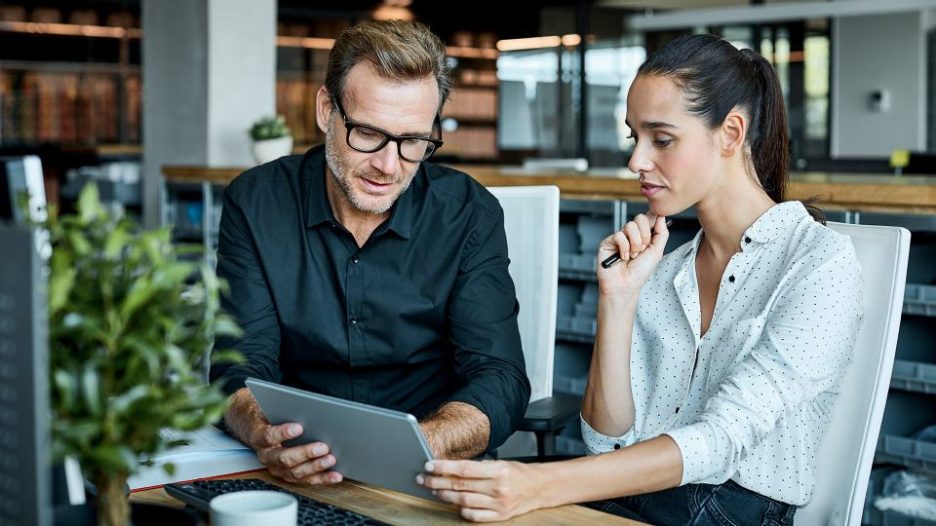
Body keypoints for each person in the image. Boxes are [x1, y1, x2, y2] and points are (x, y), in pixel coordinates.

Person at [418, 33, 863, 525]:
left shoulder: (820, 262)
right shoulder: (665, 268)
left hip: (733, 509)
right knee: (444, 501)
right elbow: (605, 441)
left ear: (731, 134)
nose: (636, 161)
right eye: (635, 138)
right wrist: (619, 299)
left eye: (662, 139)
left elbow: (721, 440)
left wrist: (539, 486)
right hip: (641, 496)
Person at [210, 20, 530, 486]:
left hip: (428, 470)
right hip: (294, 466)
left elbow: (499, 378)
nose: (387, 165)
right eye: (366, 133)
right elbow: (238, 363)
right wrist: (264, 433)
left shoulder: (469, 214)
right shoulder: (256, 203)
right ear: (326, 110)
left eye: (413, 142)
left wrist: (418, 445)